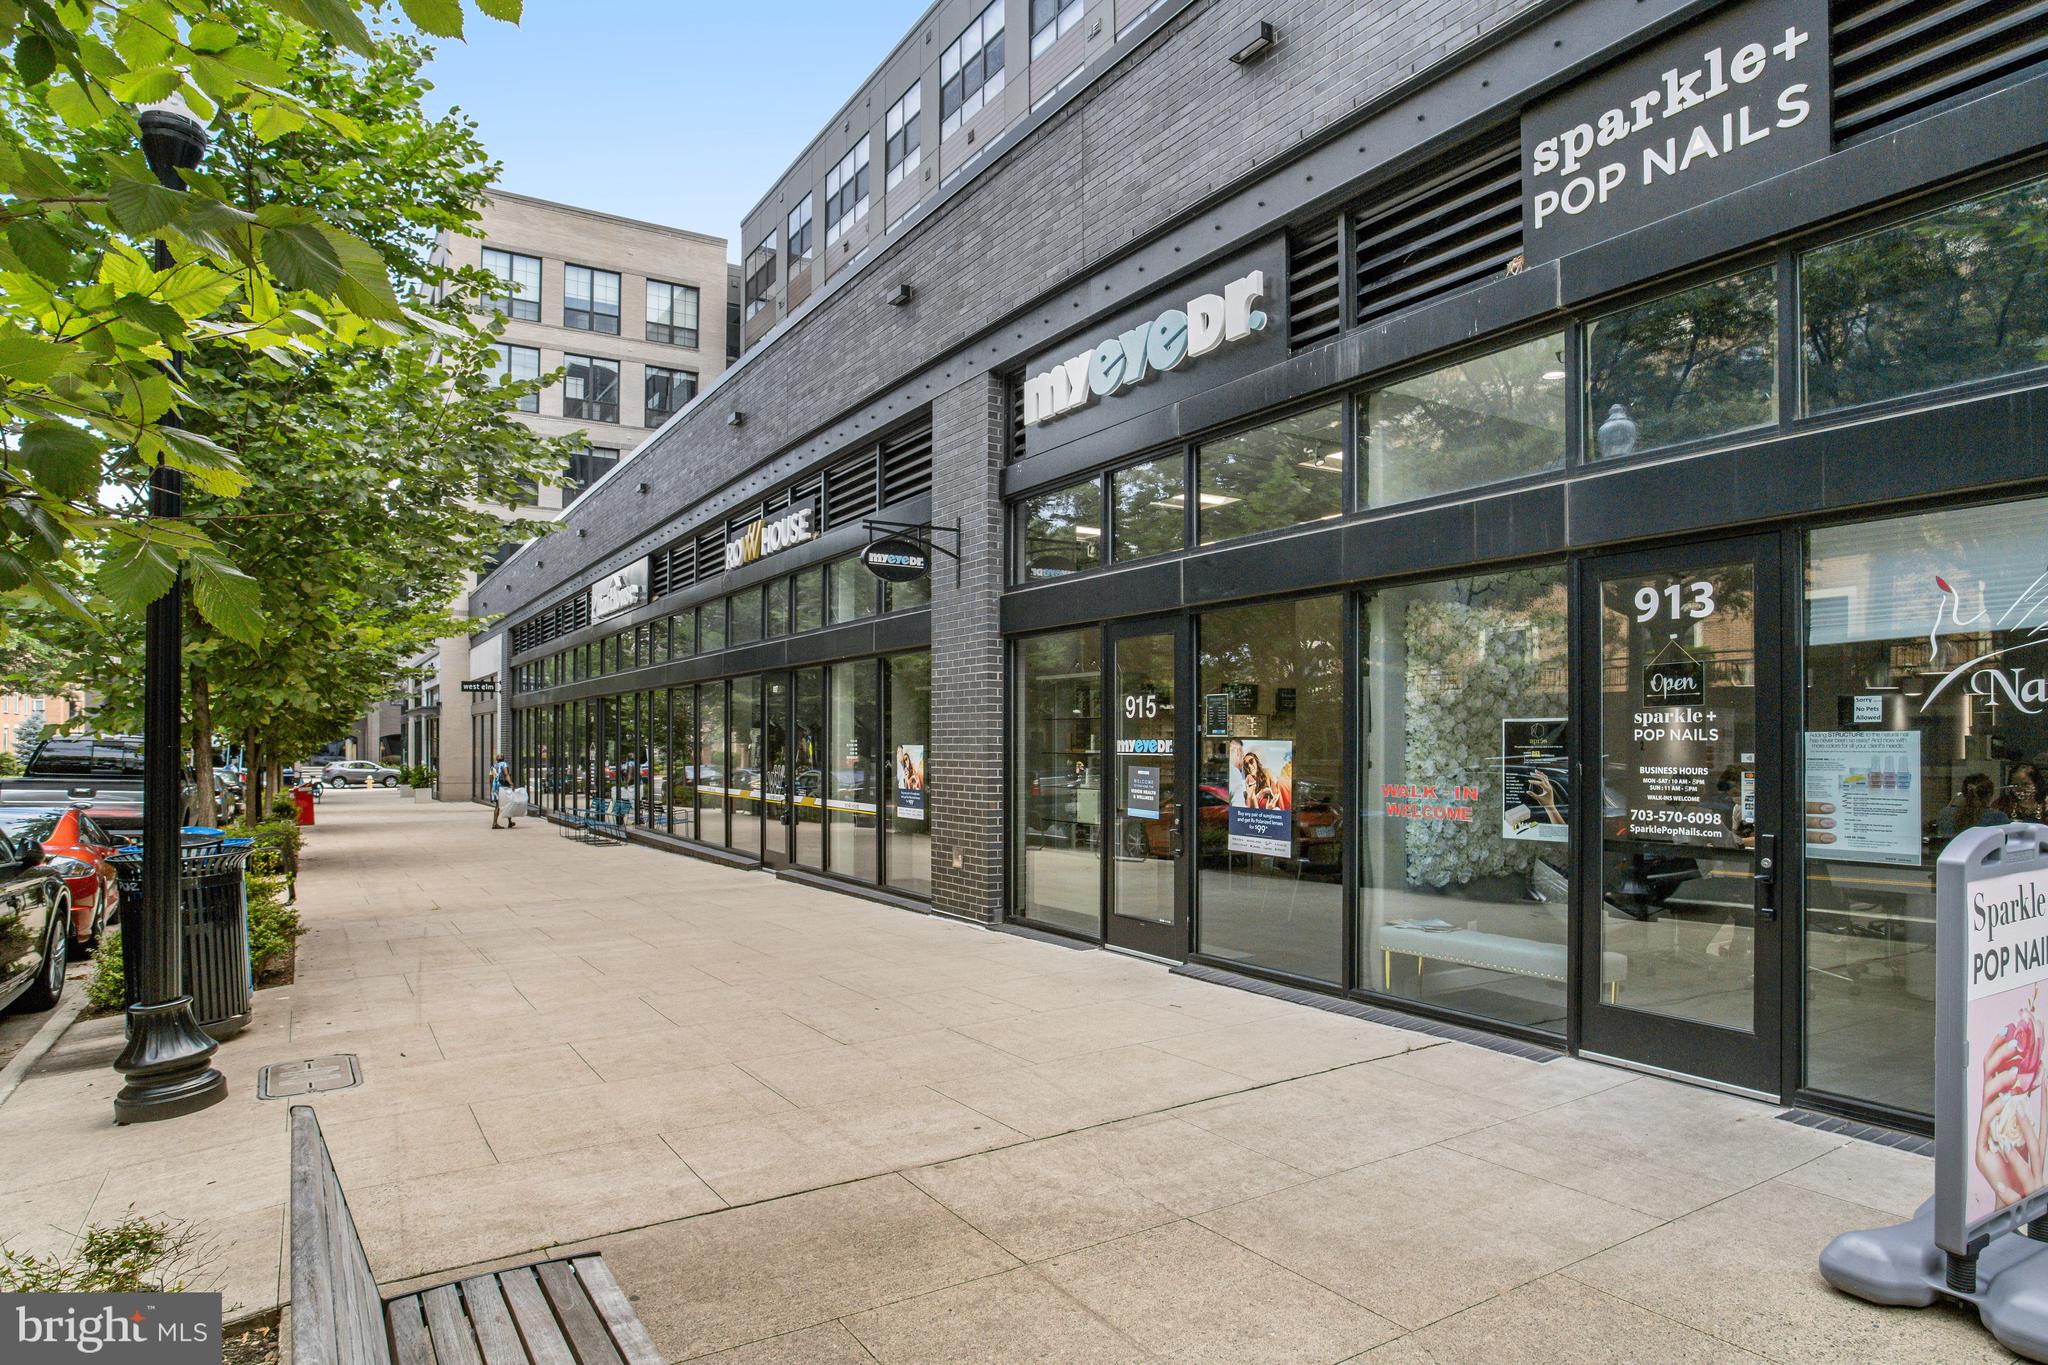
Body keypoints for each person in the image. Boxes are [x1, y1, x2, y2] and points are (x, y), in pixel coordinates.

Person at [490, 753, 517, 830]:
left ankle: (506, 822)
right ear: (503, 758)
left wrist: (491, 788)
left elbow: (490, 778)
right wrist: (511, 783)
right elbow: (506, 774)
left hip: (495, 787)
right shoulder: (504, 764)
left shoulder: (493, 767)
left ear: (496, 759)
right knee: (508, 803)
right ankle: (496, 823)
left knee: (498, 805)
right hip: (502, 787)